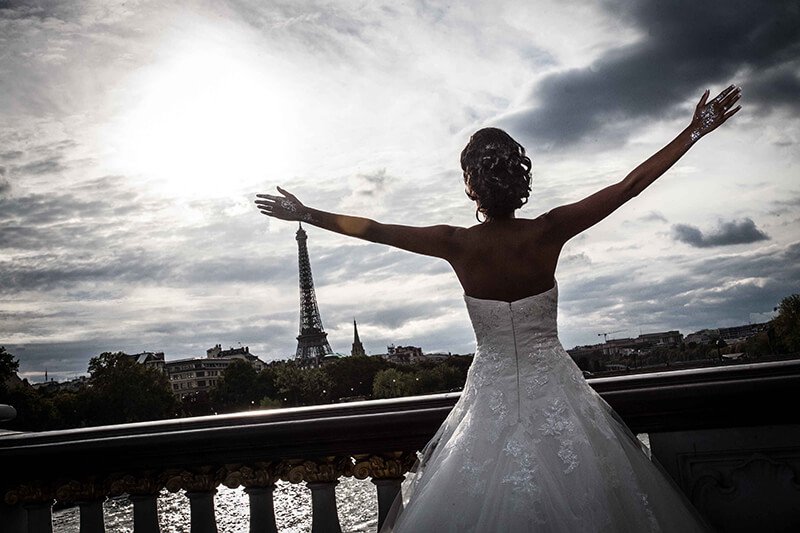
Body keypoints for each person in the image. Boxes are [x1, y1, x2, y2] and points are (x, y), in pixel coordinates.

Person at [255, 85, 741, 532]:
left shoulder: (456, 244)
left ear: (471, 185)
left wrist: (307, 214)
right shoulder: (548, 231)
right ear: (519, 178)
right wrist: (694, 130)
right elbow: (629, 186)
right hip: (558, 391)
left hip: (487, 396)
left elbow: (375, 228)